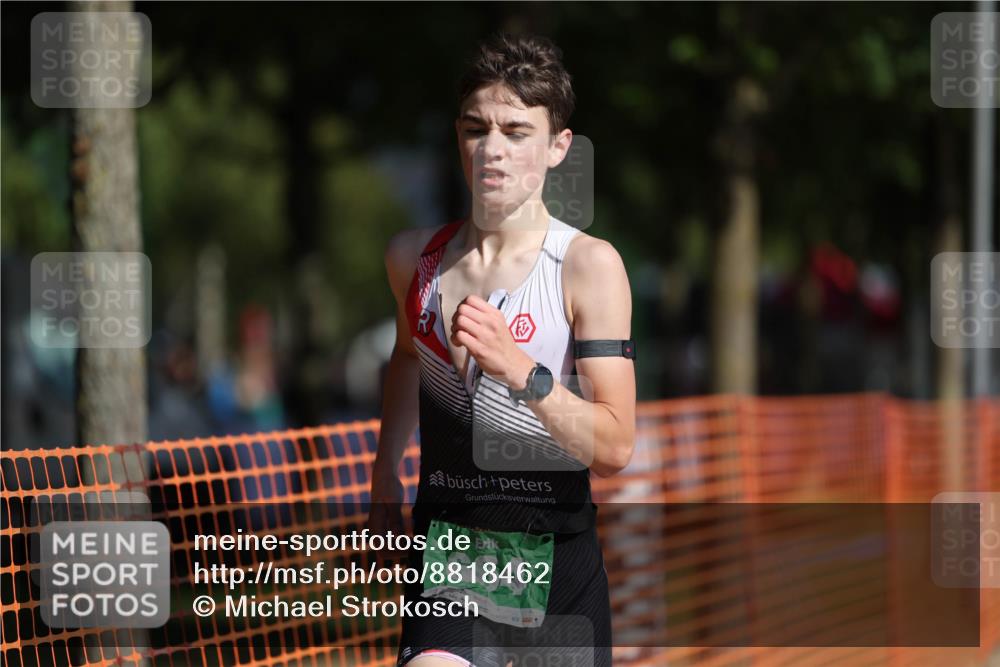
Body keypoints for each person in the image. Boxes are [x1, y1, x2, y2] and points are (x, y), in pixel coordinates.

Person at [369, 32, 636, 667]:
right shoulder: (414, 260)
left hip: (558, 559)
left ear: (557, 147)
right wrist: (385, 470)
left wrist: (521, 371)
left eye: (516, 132)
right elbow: (410, 355)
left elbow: (616, 445)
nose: (492, 149)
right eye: (475, 129)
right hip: (452, 557)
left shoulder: (586, 266)